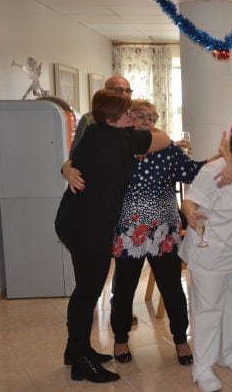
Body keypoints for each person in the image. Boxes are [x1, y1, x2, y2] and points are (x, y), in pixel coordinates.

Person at [55, 89, 170, 383]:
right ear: (113, 119)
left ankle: (75, 349)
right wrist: (147, 125)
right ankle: (81, 360)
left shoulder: (94, 133)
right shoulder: (119, 139)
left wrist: (66, 167)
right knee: (88, 292)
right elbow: (164, 140)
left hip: (75, 219)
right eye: (129, 113)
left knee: (85, 288)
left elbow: (73, 161)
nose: (133, 116)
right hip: (87, 226)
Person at [107, 100, 201, 366]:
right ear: (128, 118)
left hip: (164, 231)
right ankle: (121, 338)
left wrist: (221, 159)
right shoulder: (118, 147)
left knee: (171, 288)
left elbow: (191, 171)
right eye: (140, 115)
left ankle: (181, 340)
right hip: (128, 231)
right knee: (124, 289)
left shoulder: (167, 149)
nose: (146, 120)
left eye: (151, 116)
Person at [179, 127, 232, 392]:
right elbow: (189, 201)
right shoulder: (215, 170)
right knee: (208, 309)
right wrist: (190, 215)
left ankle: (228, 352)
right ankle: (202, 367)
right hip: (209, 250)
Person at [71, 75, 133, 150]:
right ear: (106, 92)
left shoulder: (137, 116)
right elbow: (76, 151)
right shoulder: (89, 119)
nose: (124, 94)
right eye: (118, 90)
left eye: (128, 91)